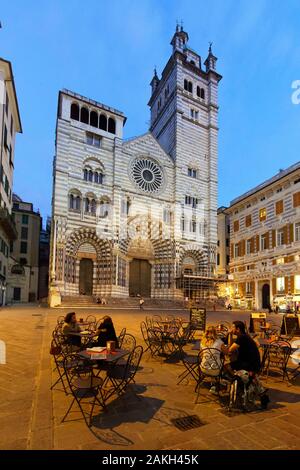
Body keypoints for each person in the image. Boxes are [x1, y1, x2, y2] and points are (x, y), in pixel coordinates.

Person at [223, 320, 269, 408]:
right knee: (233, 364)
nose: (231, 329)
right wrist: (229, 335)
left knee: (226, 366)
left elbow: (229, 350)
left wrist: (229, 334)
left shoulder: (242, 338)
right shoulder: (245, 336)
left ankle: (239, 382)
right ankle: (242, 382)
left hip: (249, 364)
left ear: (238, 329)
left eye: (233, 327)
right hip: (251, 362)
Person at [200, 326, 227, 393]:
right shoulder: (219, 342)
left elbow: (201, 355)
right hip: (216, 370)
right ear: (216, 333)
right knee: (222, 362)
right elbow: (227, 352)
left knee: (208, 361)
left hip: (204, 369)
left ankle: (212, 383)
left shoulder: (202, 342)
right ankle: (215, 383)